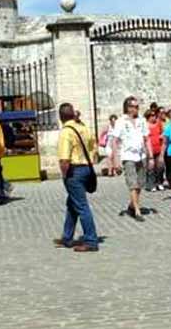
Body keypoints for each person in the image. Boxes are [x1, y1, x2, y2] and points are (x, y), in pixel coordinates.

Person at [54, 102, 99, 252]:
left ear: (60, 117)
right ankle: (67, 237)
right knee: (72, 204)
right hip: (87, 168)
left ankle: (91, 240)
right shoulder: (84, 128)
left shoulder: (66, 132)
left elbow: (64, 159)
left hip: (74, 171)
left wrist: (65, 174)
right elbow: (94, 147)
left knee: (81, 206)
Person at [112, 96, 153, 221]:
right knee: (133, 183)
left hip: (141, 155)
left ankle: (131, 205)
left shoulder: (142, 120)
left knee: (140, 183)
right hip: (128, 155)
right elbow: (115, 140)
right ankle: (137, 210)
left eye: (137, 106)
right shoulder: (121, 121)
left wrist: (150, 156)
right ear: (128, 108)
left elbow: (147, 139)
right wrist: (116, 160)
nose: (136, 109)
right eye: (134, 106)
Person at [145, 110, 165, 192]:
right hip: (149, 149)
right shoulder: (145, 125)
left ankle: (159, 183)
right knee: (151, 168)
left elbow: (164, 132)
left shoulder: (158, 123)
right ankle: (151, 184)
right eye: (152, 116)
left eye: (154, 115)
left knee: (160, 167)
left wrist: (161, 136)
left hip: (158, 148)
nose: (154, 117)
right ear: (148, 117)